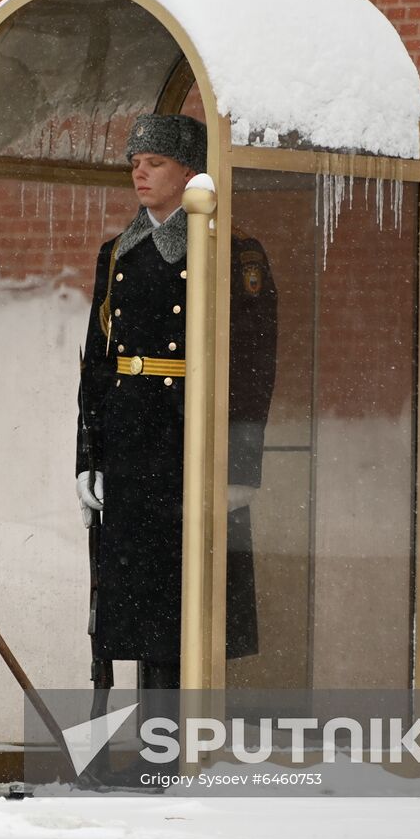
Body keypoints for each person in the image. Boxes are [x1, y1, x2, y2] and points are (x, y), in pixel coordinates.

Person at [76, 113, 277, 690]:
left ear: (191, 170)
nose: (140, 174)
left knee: (191, 603)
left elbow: (254, 368)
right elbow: (97, 362)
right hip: (132, 444)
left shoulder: (231, 251)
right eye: (135, 164)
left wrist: (240, 466)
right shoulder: (117, 253)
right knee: (136, 608)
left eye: (155, 163)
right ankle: (148, 753)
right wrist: (89, 457)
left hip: (194, 443)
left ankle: (181, 750)